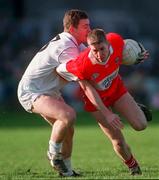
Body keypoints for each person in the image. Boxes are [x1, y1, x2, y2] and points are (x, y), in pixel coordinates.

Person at [56, 28, 150, 175]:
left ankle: (134, 107)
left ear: (108, 43)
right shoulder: (82, 64)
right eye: (94, 50)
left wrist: (138, 55)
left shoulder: (116, 40)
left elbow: (125, 51)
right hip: (97, 103)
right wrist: (107, 114)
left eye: (102, 49)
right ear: (88, 48)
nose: (99, 54)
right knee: (118, 141)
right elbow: (62, 71)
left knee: (141, 125)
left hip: (117, 91)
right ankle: (133, 167)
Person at [17, 9, 91, 177]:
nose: (89, 30)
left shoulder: (75, 43)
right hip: (31, 91)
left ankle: (66, 170)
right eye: (85, 26)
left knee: (69, 129)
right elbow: (83, 75)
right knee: (68, 115)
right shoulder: (65, 47)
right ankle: (53, 153)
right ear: (72, 29)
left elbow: (92, 60)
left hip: (47, 90)